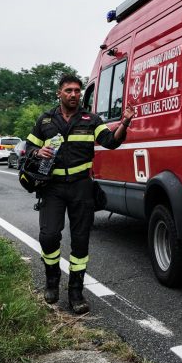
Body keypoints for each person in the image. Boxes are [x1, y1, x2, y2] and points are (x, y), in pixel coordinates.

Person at [23, 74, 134, 314]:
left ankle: (76, 292)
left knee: (80, 240)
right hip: (52, 187)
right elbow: (28, 146)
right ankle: (52, 282)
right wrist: (36, 152)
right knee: (49, 236)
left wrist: (124, 124)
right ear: (59, 93)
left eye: (77, 90)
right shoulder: (45, 120)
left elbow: (111, 142)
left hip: (81, 187)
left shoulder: (91, 119)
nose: (74, 94)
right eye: (68, 90)